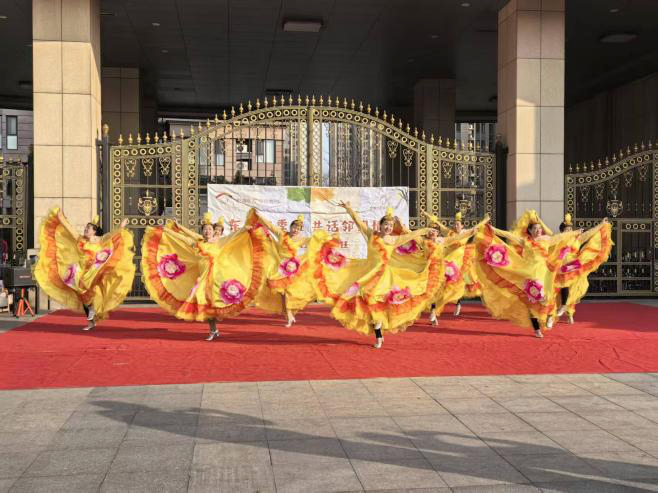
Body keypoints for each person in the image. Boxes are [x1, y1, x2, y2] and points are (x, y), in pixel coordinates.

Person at [314, 204, 445, 348]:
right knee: (362, 300)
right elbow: (359, 222)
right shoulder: (372, 234)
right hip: (367, 273)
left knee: (375, 302)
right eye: (386, 224)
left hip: (383, 278)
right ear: (380, 225)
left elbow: (411, 235)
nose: (388, 227)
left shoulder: (394, 240)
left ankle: (378, 334)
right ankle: (378, 333)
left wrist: (425, 230)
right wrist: (349, 209)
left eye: (391, 225)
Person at [141, 210, 268, 341]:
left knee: (216, 304)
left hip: (216, 279)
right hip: (202, 279)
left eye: (209, 229)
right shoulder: (198, 243)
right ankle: (213, 330)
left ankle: (215, 328)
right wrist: (168, 231)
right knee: (205, 303)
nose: (207, 231)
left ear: (213, 231)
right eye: (205, 229)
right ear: (202, 232)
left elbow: (233, 236)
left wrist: (245, 228)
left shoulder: (219, 242)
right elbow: (183, 238)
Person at [474, 210, 582, 338]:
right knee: (532, 299)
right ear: (530, 231)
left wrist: (576, 232)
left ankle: (549, 316)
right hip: (530, 273)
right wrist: (493, 229)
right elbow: (508, 235)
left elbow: (562, 237)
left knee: (548, 296)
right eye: (535, 228)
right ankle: (536, 329)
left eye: (539, 228)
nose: (538, 230)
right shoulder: (525, 242)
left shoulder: (547, 240)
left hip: (545, 273)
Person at [33, 209, 134, 330]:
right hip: (81, 271)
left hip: (95, 270)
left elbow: (112, 234)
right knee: (82, 296)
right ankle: (91, 320)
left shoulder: (100, 239)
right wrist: (61, 218)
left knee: (94, 290)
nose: (85, 230)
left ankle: (94, 310)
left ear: (94, 231)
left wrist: (121, 226)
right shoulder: (80, 239)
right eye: (85, 228)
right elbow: (71, 229)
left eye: (88, 228)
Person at [422, 210, 482, 323]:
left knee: (460, 282)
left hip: (460, 261)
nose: (455, 226)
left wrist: (483, 223)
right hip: (448, 261)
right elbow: (439, 225)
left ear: (462, 225)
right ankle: (434, 310)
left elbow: (475, 229)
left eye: (458, 224)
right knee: (441, 285)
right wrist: (428, 215)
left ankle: (458, 302)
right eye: (454, 224)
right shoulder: (448, 233)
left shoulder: (464, 233)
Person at [553, 213, 612, 324]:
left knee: (573, 289)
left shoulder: (578, 239)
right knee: (561, 287)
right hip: (561, 266)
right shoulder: (559, 239)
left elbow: (589, 233)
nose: (569, 231)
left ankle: (569, 312)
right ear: (562, 231)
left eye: (570, 229)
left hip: (573, 266)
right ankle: (560, 308)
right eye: (566, 229)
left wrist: (601, 224)